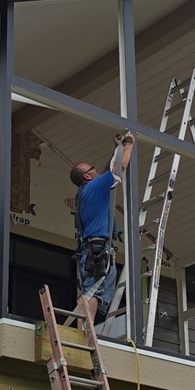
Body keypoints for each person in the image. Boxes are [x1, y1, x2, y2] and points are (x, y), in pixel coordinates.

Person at [68, 130, 134, 326]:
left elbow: (107, 172)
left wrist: (117, 149)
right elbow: (120, 166)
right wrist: (129, 143)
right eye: (93, 168)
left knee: (94, 292)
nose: (97, 170)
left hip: (90, 251)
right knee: (93, 293)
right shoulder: (93, 188)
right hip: (98, 250)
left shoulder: (85, 192)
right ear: (88, 176)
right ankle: (85, 335)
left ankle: (85, 332)